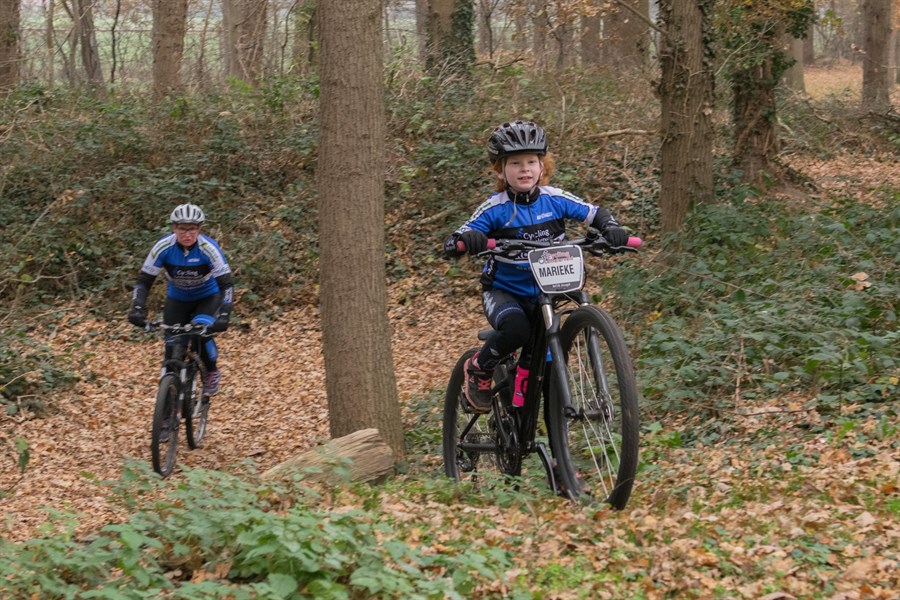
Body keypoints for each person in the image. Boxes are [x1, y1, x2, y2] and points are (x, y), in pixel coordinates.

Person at [443, 120, 630, 414]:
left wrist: (610, 227)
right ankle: (479, 367)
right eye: (515, 163)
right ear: (500, 171)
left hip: (548, 292)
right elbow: (455, 239)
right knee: (518, 329)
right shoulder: (496, 207)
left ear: (543, 166)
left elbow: (594, 213)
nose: (525, 169)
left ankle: (557, 459)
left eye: (531, 161)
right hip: (505, 292)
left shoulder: (555, 199)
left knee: (547, 379)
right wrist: (467, 240)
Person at [128, 203, 233, 397]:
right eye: (182, 228)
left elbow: (226, 285)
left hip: (208, 297)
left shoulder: (208, 249)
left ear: (199, 229)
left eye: (192, 228)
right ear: (174, 228)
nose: (187, 234)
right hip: (177, 299)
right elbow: (144, 281)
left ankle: (211, 371)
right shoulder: (163, 247)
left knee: (200, 332)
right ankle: (168, 412)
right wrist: (137, 308)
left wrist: (225, 314)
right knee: (172, 348)